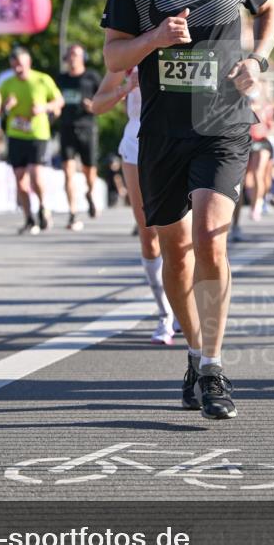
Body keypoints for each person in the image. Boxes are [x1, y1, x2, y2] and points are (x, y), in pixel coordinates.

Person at [101, 0, 274, 420]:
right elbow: (112, 55)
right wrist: (153, 37)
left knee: (211, 236)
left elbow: (269, 12)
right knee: (175, 253)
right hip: (162, 131)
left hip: (223, 124)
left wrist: (259, 59)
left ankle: (212, 366)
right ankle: (194, 349)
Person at [90, 66, 177, 344]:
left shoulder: (185, 39)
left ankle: (186, 306)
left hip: (178, 141)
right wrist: (126, 87)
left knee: (181, 235)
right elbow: (97, 104)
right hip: (137, 142)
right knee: (149, 234)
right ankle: (165, 314)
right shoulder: (131, 49)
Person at [0, 47, 64, 234]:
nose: (17, 68)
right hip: (16, 134)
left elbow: (59, 101)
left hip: (38, 134)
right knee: (20, 180)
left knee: (36, 176)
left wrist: (43, 108)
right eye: (14, 65)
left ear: (28, 63)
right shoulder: (7, 83)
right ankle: (29, 219)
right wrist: (6, 106)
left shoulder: (42, 79)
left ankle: (44, 207)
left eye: (20, 64)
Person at [56, 43, 101, 230]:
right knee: (68, 171)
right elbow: (54, 100)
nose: (72, 58)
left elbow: (104, 98)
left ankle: (90, 193)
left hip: (87, 127)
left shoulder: (91, 77)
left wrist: (94, 106)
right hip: (66, 128)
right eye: (70, 55)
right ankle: (73, 213)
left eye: (76, 54)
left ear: (83, 57)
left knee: (89, 171)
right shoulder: (60, 79)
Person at [245, 81, 274, 221]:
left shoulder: (268, 107)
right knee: (247, 178)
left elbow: (273, 125)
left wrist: (271, 130)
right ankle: (254, 199)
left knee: (259, 173)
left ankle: (256, 206)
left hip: (262, 141)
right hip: (247, 142)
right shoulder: (245, 103)